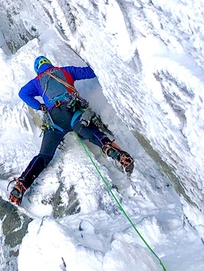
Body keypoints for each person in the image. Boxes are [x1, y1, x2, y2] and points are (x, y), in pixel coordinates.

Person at [8, 56, 134, 205]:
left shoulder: (37, 81)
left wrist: (40, 106)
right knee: (94, 134)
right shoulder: (65, 71)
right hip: (73, 111)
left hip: (55, 119)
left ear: (37, 70)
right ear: (49, 63)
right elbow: (91, 72)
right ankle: (114, 152)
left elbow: (22, 93)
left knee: (44, 156)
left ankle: (22, 184)